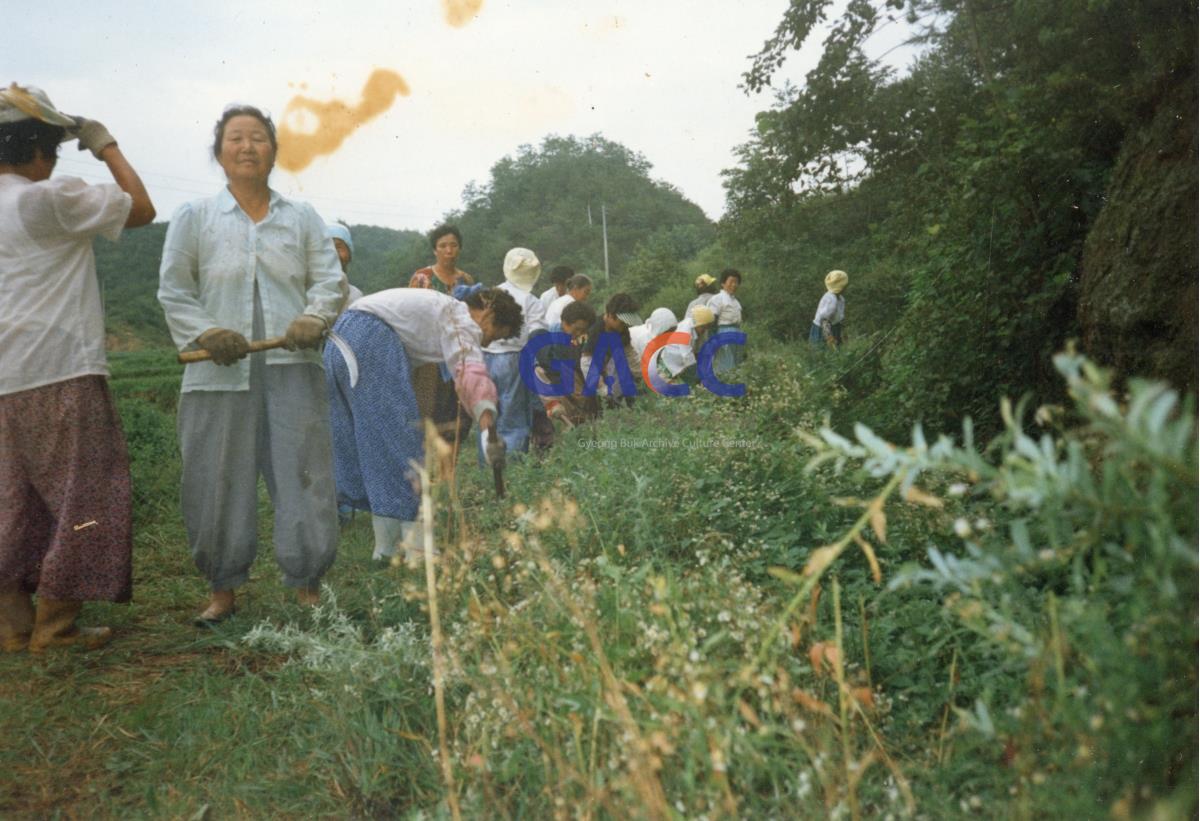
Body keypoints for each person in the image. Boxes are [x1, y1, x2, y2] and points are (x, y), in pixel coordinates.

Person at [158, 104, 344, 623]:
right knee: (216, 477)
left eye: (258, 138)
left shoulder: (302, 217)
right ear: (219, 152)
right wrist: (207, 331)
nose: (247, 147)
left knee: (303, 471)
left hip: (291, 365)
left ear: (274, 151)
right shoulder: (194, 217)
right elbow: (174, 290)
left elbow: (329, 281)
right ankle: (222, 587)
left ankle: (308, 582)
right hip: (217, 373)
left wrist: (313, 316)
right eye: (236, 138)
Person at [0, 84, 155, 653]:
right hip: (59, 370)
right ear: (41, 150)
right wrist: (106, 145)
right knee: (83, 497)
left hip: (5, 380)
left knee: (12, 501)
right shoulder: (45, 199)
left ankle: (13, 626)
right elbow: (140, 209)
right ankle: (57, 628)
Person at [324, 286, 521, 563]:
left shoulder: (434, 308)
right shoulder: (459, 315)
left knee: (375, 447)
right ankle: (420, 552)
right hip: (370, 339)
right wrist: (488, 427)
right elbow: (470, 369)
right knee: (400, 446)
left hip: (339, 339)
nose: (483, 341)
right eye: (492, 335)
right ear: (488, 311)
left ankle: (386, 549)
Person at [408, 224, 476, 452]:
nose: (449, 250)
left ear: (460, 248)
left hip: (457, 354)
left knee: (456, 410)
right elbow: (412, 315)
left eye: (453, 245)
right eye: (443, 246)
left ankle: (450, 463)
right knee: (427, 408)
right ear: (435, 250)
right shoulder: (422, 277)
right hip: (429, 356)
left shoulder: (466, 279)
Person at [481, 248, 547, 461]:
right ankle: (513, 468)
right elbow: (537, 335)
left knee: (487, 416)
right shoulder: (531, 301)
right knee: (513, 419)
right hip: (513, 359)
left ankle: (488, 468)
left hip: (483, 358)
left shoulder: (489, 294)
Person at [535, 300, 599, 427]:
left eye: (583, 331)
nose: (579, 333)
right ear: (564, 323)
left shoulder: (579, 341)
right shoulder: (550, 344)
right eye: (577, 329)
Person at [580, 293, 642, 408]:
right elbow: (586, 362)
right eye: (622, 322)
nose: (624, 326)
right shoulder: (595, 329)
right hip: (582, 372)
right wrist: (602, 388)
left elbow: (630, 356)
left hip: (605, 369)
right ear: (610, 315)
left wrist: (643, 376)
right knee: (591, 409)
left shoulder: (622, 330)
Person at [659, 304, 715, 384]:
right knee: (670, 387)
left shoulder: (701, 330)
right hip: (670, 362)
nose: (705, 330)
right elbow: (688, 356)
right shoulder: (685, 331)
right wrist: (699, 376)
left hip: (682, 362)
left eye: (707, 327)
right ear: (697, 324)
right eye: (703, 327)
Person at [706, 268, 744, 374]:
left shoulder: (736, 302)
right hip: (724, 334)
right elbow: (712, 321)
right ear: (723, 283)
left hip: (736, 334)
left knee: (736, 365)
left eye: (736, 282)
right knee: (725, 365)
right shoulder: (717, 299)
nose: (734, 285)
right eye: (731, 281)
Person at [326, 222, 362, 308]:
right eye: (326, 247)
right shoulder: (301, 293)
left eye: (338, 247)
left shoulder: (355, 297)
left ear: (349, 254)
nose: (333, 253)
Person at [810, 269, 848, 349]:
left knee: (837, 353)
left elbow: (839, 318)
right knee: (823, 352)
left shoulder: (840, 299)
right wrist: (829, 338)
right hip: (823, 330)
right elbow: (824, 321)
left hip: (835, 327)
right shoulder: (831, 301)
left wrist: (843, 333)